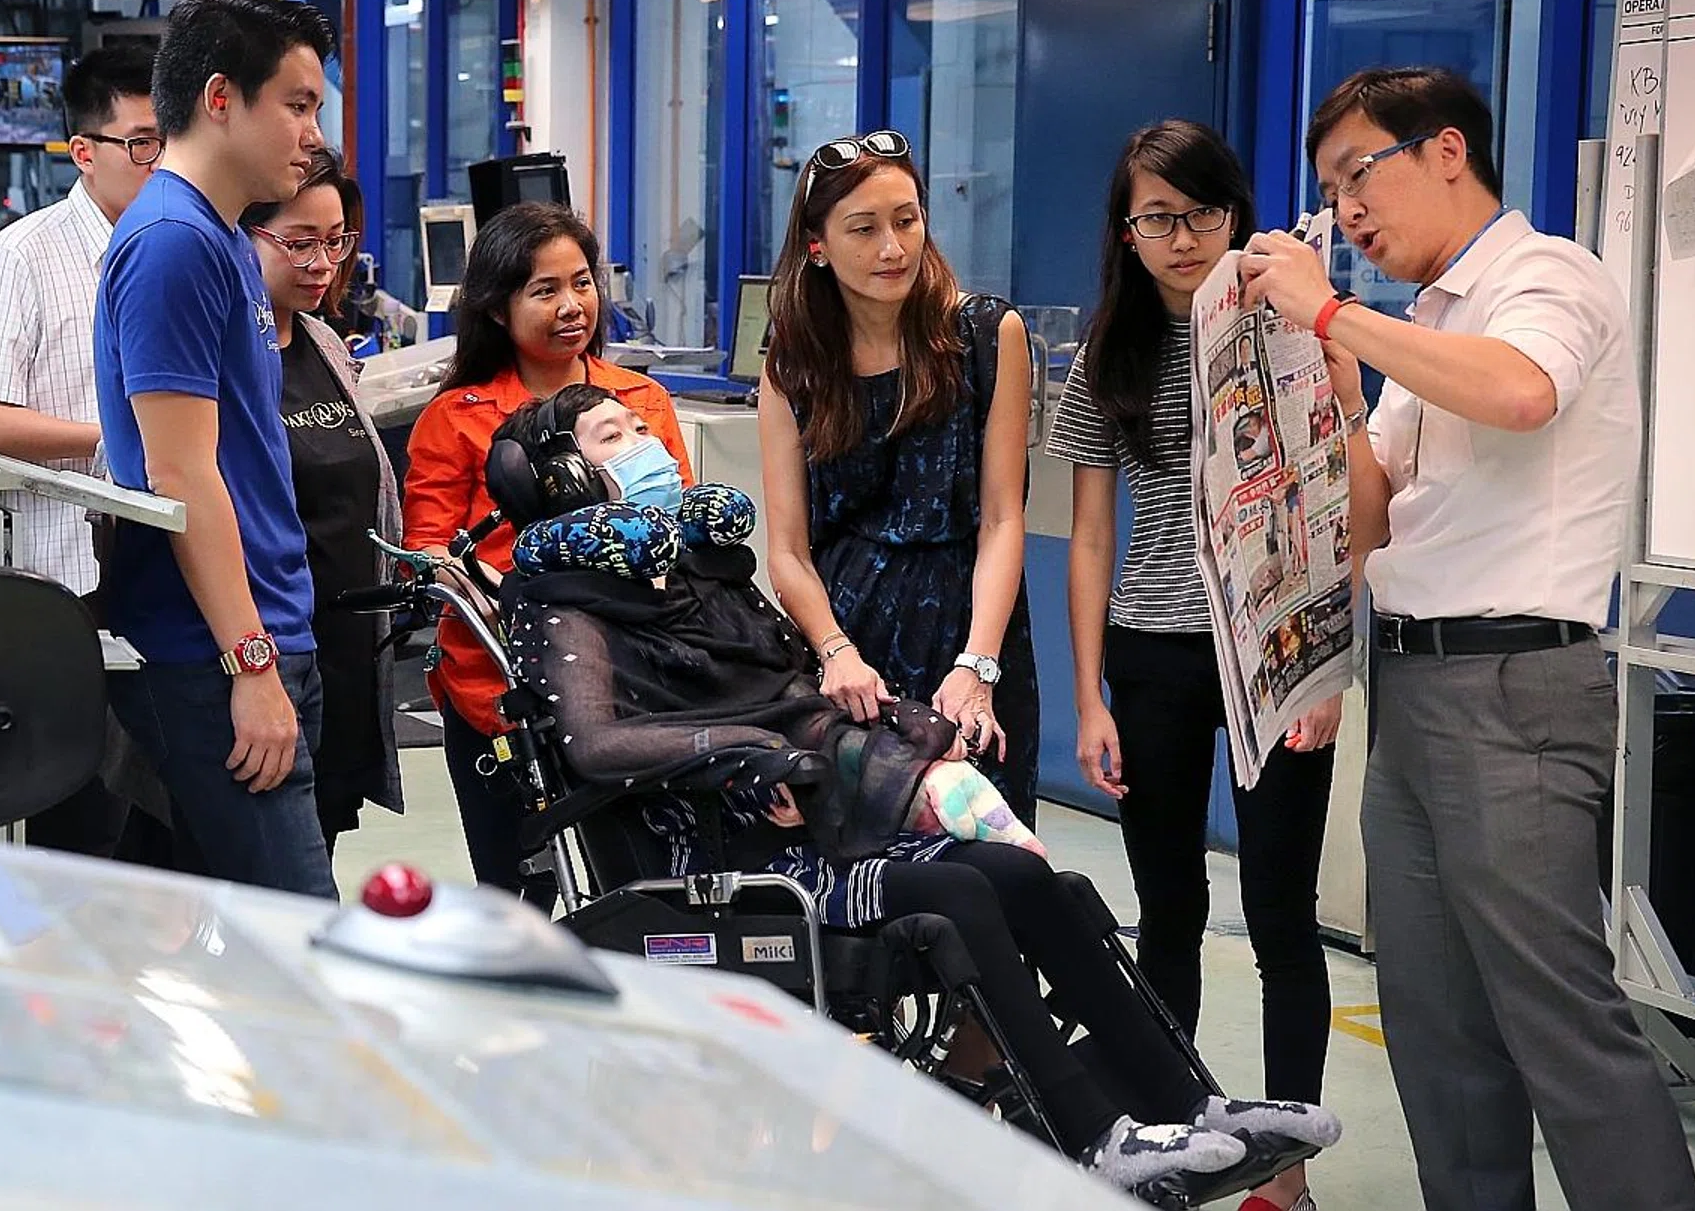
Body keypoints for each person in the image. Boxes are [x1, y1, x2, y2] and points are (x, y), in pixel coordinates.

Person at [491, 383, 1343, 1200]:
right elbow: (592, 742)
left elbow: (792, 679)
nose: (644, 449)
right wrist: (749, 749)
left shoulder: (698, 571)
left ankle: (1186, 1106)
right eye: (614, 438)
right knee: (954, 891)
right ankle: (1098, 1140)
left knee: (1039, 881)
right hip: (723, 860)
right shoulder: (560, 600)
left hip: (813, 821)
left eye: (641, 431)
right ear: (563, 474)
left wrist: (884, 713)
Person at [1240, 66, 1695, 1211]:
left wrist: (1335, 314)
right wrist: (1333, 394)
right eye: (1333, 191)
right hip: (1414, 683)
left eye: (1360, 175)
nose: (1347, 212)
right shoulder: (1428, 322)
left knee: (1557, 1021)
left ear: (1448, 151)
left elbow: (1521, 394)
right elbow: (1375, 521)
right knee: (1436, 1025)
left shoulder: (1545, 275)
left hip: (1514, 686)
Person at [1047, 120, 1340, 1211]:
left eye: (1200, 212)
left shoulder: (1294, 328)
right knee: (1166, 912)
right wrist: (1087, 698)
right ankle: (1172, 1138)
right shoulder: (1105, 356)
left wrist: (1324, 673)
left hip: (1275, 653)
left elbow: (1326, 503)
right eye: (1155, 218)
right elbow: (1089, 536)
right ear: (1125, 231)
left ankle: (1290, 1171)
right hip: (1155, 652)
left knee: (1279, 914)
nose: (1180, 238)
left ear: (1236, 210)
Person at [93, 0, 337, 899]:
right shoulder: (170, 244)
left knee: (239, 951)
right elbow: (180, 470)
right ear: (222, 97)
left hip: (264, 631)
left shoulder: (225, 237)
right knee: (304, 944)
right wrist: (251, 661)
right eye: (298, 104)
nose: (313, 132)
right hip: (213, 654)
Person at [402, 202, 693, 903]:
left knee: (650, 889)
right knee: (516, 899)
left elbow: (678, 519)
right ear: (499, 309)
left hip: (634, 680)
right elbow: (429, 546)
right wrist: (479, 584)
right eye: (545, 290)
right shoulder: (458, 415)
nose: (573, 305)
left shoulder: (640, 400)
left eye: (582, 283)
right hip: (499, 687)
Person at [759, 130, 1039, 825]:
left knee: (989, 851)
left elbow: (1003, 518)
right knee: (864, 869)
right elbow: (789, 551)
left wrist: (978, 666)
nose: (893, 248)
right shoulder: (793, 364)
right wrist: (835, 652)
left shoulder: (985, 333)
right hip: (848, 647)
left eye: (906, 220)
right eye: (864, 229)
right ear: (817, 244)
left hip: (970, 630)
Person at [0, 44, 161, 861]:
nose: (159, 159)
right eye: (140, 142)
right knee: (86, 839)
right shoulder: (22, 257)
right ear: (84, 151)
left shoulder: (187, 251)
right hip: (70, 595)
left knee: (169, 841)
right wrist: (113, 443)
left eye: (169, 138)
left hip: (173, 589)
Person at [240, 147, 403, 853]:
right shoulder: (226, 358)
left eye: (336, 241)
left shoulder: (323, 341)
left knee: (321, 846)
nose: (322, 263)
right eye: (299, 242)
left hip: (343, 659)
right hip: (263, 661)